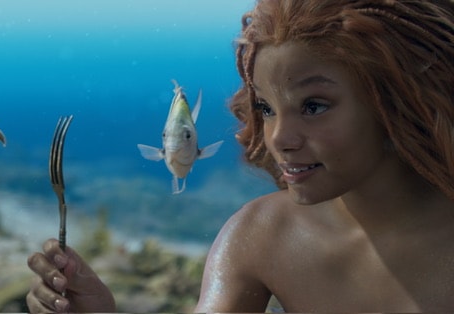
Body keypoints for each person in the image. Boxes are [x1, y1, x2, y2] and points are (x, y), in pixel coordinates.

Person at [26, 0, 454, 312]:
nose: (279, 138)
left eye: (313, 106)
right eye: (266, 108)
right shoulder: (260, 234)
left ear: (396, 103)